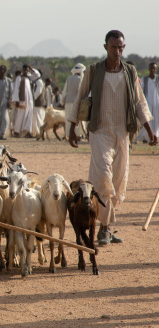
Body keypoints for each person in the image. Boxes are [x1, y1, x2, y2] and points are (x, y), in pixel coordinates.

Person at [68, 30, 158, 245]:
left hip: (122, 132)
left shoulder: (130, 72)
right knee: (103, 177)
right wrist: (72, 128)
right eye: (113, 47)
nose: (117, 51)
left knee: (118, 181)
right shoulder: (94, 71)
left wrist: (149, 129)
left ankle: (105, 228)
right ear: (105, 47)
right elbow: (80, 98)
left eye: (120, 47)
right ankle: (103, 228)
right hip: (99, 131)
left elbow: (139, 102)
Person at [12, 64, 40, 138]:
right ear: (23, 70)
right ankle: (16, 132)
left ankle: (28, 132)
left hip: (29, 100)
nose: (26, 71)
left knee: (29, 115)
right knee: (20, 116)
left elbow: (37, 75)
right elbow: (16, 89)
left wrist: (32, 69)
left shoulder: (29, 77)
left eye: (27, 70)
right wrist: (16, 100)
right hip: (22, 100)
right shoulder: (19, 78)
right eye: (25, 70)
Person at [136, 63, 159, 142]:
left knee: (156, 120)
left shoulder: (157, 79)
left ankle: (155, 135)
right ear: (149, 69)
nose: (152, 70)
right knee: (147, 119)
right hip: (147, 101)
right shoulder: (145, 79)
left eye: (154, 69)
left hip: (156, 102)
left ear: (155, 70)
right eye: (151, 68)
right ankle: (146, 137)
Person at [63, 63, 86, 140]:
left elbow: (64, 92)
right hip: (77, 103)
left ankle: (70, 135)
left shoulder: (68, 78)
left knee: (69, 119)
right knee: (77, 119)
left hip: (68, 102)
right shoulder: (81, 79)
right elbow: (81, 92)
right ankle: (78, 135)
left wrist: (62, 102)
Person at [31, 69, 45, 137]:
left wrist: (33, 98)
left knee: (39, 119)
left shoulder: (39, 82)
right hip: (37, 103)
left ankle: (41, 132)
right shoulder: (38, 81)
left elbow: (38, 92)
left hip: (38, 103)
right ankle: (38, 133)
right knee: (37, 118)